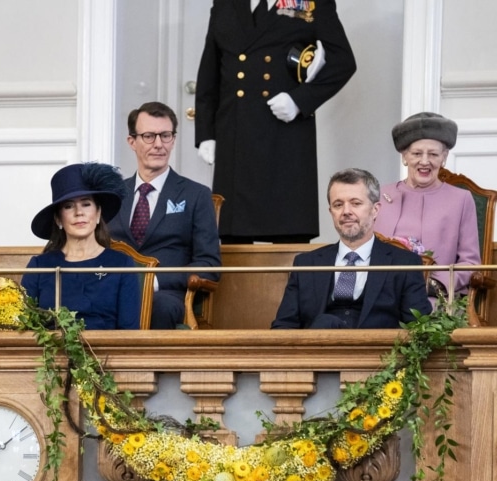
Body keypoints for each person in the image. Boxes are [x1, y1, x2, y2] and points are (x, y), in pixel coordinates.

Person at [195, 0, 356, 244]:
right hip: (235, 135)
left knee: (288, 236)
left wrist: (300, 100)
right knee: (233, 238)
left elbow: (342, 61)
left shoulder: (312, 2)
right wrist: (206, 133)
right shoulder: (225, 4)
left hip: (285, 136)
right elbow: (210, 72)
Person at [107, 101, 221, 329]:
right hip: (111, 289)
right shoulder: (111, 195)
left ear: (174, 139)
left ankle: (155, 367)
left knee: (158, 305)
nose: (158, 144)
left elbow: (209, 263)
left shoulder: (196, 195)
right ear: (132, 141)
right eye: (149, 136)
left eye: (165, 135)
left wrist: (154, 282)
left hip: (166, 294)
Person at [272, 168, 432, 329]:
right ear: (331, 212)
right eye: (338, 205)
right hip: (317, 350)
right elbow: (283, 326)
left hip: (378, 352)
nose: (346, 212)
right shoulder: (306, 264)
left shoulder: (405, 263)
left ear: (375, 210)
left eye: (356, 203)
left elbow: (420, 329)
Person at [373, 112, 480, 299]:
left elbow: (470, 262)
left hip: (433, 299)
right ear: (404, 157)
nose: (424, 161)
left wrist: (438, 284)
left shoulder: (461, 199)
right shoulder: (379, 195)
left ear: (444, 157)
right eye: (416, 154)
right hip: (381, 298)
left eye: (433, 154)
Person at [22, 162, 141, 330]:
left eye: (86, 204)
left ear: (98, 213)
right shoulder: (40, 266)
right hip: (50, 354)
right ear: (58, 219)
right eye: (69, 206)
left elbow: (129, 333)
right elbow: (26, 329)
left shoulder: (121, 265)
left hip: (107, 354)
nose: (79, 212)